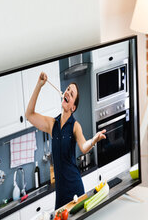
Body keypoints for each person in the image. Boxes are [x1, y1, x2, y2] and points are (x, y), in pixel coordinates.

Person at [25, 72, 106, 209]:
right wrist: (39, 85)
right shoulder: (52, 124)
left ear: (73, 107)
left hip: (75, 187)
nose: (68, 92)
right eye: (68, 89)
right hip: (60, 192)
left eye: (72, 94)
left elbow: (84, 146)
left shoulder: (75, 126)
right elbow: (29, 115)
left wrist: (94, 140)